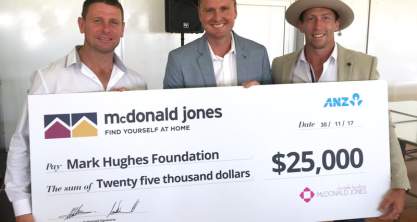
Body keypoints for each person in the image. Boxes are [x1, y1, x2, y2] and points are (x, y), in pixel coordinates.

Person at [4, 0, 146, 221]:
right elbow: (22, 143)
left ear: (123, 28)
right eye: (97, 21)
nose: (106, 29)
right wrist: (22, 210)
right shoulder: (49, 78)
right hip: (64, 206)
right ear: (81, 24)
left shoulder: (137, 82)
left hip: (125, 204)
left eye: (113, 22)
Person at [271, 0, 410, 221]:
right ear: (301, 26)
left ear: (337, 24)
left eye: (326, 18)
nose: (318, 26)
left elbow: (382, 125)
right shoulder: (280, 66)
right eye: (311, 18)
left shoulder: (365, 66)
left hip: (348, 180)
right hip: (296, 179)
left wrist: (399, 184)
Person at [163, 0, 271, 89]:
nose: (217, 17)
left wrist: (261, 95)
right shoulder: (178, 60)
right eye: (210, 10)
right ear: (200, 15)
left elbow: (271, 106)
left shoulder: (259, 54)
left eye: (224, 9)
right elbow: (172, 110)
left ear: (235, 11)